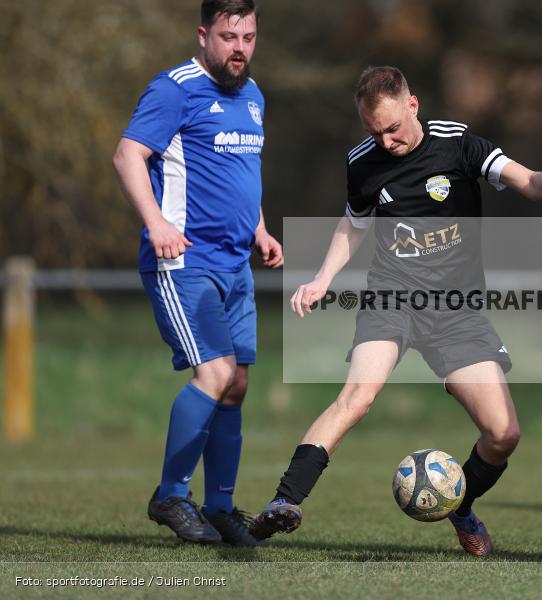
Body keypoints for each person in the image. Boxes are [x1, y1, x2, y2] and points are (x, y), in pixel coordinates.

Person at [248, 66, 542, 556]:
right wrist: (322, 279)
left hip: (456, 311)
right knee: (357, 398)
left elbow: (528, 183)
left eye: (393, 129)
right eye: (374, 132)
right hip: (392, 298)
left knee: (503, 433)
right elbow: (354, 225)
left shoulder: (460, 145)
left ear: (413, 105)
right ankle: (285, 501)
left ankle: (460, 507)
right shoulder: (363, 162)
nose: (386, 142)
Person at [112, 0, 281, 546]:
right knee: (215, 374)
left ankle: (222, 507)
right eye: (229, 37)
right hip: (184, 261)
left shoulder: (252, 96)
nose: (240, 48)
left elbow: (241, 173)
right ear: (204, 35)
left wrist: (260, 229)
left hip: (235, 264)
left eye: (249, 37)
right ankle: (170, 495)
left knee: (237, 385)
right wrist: (156, 221)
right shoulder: (175, 88)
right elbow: (127, 156)